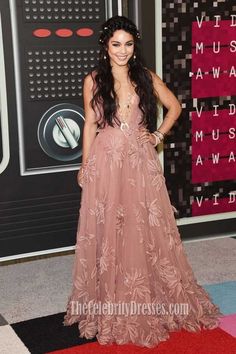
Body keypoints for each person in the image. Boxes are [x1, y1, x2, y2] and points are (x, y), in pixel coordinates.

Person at [63, 15, 223, 348]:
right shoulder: (92, 80)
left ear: (135, 47)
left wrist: (157, 135)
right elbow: (90, 125)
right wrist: (85, 165)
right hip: (106, 160)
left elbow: (175, 107)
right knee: (109, 227)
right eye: (116, 44)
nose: (122, 51)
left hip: (138, 161)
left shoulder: (145, 77)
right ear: (105, 47)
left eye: (128, 44)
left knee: (142, 226)